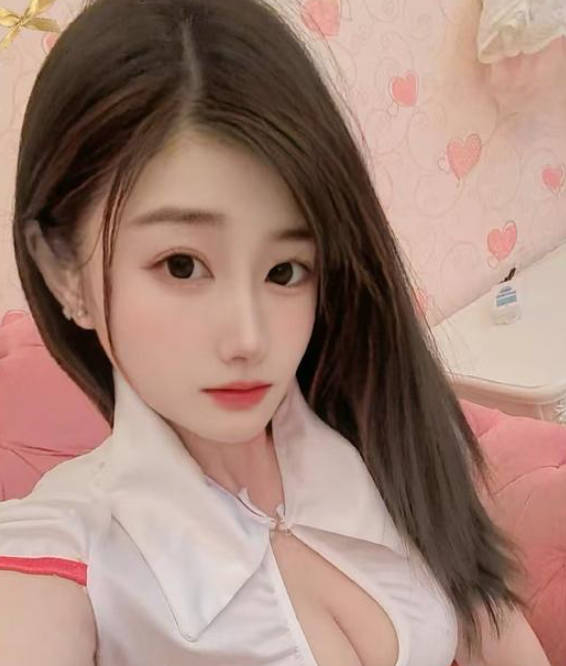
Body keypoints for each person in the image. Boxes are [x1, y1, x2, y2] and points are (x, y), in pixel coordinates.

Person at [0, 0, 551, 664]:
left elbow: (497, 629)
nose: (249, 338)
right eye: (182, 265)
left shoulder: (384, 433)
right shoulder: (65, 552)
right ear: (64, 272)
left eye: (284, 270)